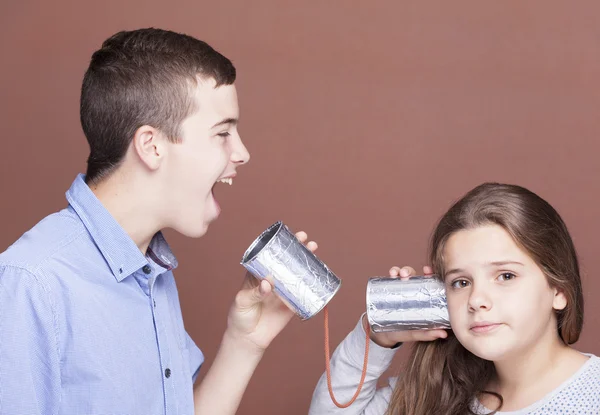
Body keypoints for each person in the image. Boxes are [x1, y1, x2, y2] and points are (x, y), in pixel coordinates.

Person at [0, 27, 318, 415]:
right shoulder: (31, 284)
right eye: (222, 133)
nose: (242, 152)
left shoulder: (151, 270)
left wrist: (245, 341)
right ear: (151, 146)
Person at [309, 183, 600, 414]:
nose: (476, 299)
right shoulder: (434, 395)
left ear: (559, 290)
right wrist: (378, 335)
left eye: (506, 276)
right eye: (461, 282)